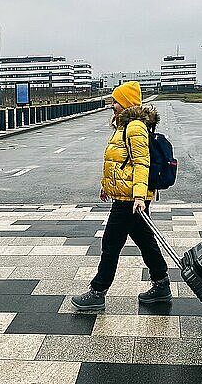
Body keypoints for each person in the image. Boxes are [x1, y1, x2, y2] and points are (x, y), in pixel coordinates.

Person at [72, 81, 171, 310]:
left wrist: (138, 197)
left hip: (130, 199)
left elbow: (141, 163)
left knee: (111, 243)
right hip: (126, 195)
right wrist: (107, 186)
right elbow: (118, 162)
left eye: (116, 101)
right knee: (144, 240)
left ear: (126, 103)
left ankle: (98, 291)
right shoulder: (123, 125)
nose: (112, 105)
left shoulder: (134, 127)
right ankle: (161, 284)